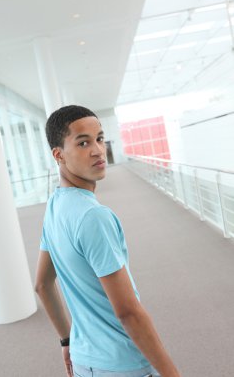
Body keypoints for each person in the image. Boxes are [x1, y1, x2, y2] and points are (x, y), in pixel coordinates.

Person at [35, 105, 181, 377]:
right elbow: (128, 313)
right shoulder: (94, 217)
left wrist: (67, 341)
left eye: (100, 139)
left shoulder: (55, 206)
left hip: (84, 362)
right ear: (59, 155)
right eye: (83, 142)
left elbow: (42, 285)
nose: (97, 150)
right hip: (122, 365)